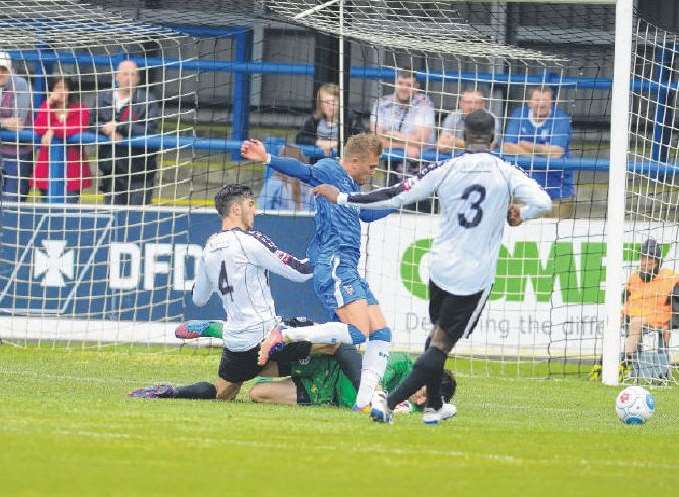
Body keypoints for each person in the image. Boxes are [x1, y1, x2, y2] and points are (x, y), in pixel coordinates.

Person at [313, 110, 552, 424]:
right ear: (494, 139)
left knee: (434, 337)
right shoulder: (507, 171)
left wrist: (343, 197)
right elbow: (544, 202)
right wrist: (522, 214)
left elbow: (395, 195)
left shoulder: (445, 167)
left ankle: (433, 405)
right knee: (441, 344)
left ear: (463, 137)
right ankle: (389, 401)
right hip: (474, 275)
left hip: (439, 269)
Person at [154, 183, 364, 402]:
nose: (255, 210)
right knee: (338, 341)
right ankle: (371, 396)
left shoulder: (209, 249)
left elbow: (198, 299)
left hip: (237, 344)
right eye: (251, 204)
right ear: (236, 209)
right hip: (267, 336)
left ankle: (176, 391)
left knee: (222, 395)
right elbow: (300, 272)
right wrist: (327, 251)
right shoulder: (250, 240)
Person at [240, 133, 395, 413]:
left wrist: (401, 201)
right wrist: (268, 158)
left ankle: (366, 401)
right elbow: (304, 171)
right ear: (355, 161)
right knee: (358, 334)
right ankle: (284, 334)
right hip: (334, 262)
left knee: (381, 332)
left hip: (348, 266)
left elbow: (367, 213)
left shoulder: (348, 189)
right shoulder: (331, 169)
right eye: (372, 167)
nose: (374, 172)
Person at [130, 317, 362, 401]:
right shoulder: (384, 369)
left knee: (233, 393)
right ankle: (225, 330)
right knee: (333, 344)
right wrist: (367, 391)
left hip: (315, 387)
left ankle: (173, 392)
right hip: (309, 355)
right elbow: (340, 345)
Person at [250, 351, 456, 414]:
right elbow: (375, 375)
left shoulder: (416, 407)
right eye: (423, 391)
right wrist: (380, 401)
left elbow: (448, 410)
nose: (419, 400)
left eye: (426, 400)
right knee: (256, 365)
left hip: (324, 394)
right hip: (329, 366)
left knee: (257, 393)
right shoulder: (402, 363)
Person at [91, 60, 160, 205]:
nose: (129, 78)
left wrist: (120, 126)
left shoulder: (148, 101)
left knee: (137, 221)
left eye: (133, 75)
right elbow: (90, 123)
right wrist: (105, 129)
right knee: (113, 220)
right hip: (112, 172)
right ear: (116, 76)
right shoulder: (103, 98)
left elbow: (150, 129)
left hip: (139, 174)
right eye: (125, 74)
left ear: (138, 79)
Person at [502, 86, 573, 216]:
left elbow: (557, 153)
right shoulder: (519, 114)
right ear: (529, 102)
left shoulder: (561, 118)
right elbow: (507, 147)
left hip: (558, 190)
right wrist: (541, 154)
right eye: (537, 99)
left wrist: (528, 146)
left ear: (552, 102)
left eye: (546, 100)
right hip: (524, 191)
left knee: (560, 233)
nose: (541, 103)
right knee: (520, 232)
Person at [621, 238, 679, 372]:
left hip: (659, 318)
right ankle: (603, 361)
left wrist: (670, 324)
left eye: (650, 258)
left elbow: (677, 305)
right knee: (613, 321)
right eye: (643, 258)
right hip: (635, 315)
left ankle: (624, 362)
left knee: (636, 323)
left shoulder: (670, 278)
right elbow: (625, 298)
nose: (646, 262)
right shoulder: (634, 277)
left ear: (657, 261)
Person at [31, 76, 91, 203]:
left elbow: (76, 126)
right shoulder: (46, 108)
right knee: (47, 212)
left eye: (65, 87)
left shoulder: (81, 109)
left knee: (68, 213)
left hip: (72, 172)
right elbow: (39, 127)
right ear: (51, 90)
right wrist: (48, 103)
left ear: (70, 91)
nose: (61, 91)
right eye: (58, 87)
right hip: (47, 170)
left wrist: (53, 130)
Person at [370, 70, 435, 160]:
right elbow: (377, 140)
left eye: (409, 85)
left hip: (420, 165)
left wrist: (389, 134)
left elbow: (421, 140)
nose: (404, 88)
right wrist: (405, 146)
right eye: (400, 83)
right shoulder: (381, 103)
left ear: (416, 87)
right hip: (390, 166)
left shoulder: (424, 104)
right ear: (395, 84)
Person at [0, 51, 32, 200]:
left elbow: (18, 120)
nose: (0, 73)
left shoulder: (19, 83)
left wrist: (8, 122)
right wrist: (3, 122)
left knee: (12, 200)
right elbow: (9, 122)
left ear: (10, 69)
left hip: (18, 152)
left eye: (3, 69)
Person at [436, 89, 501, 153]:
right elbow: (441, 144)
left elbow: (490, 146)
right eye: (468, 102)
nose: (473, 106)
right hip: (456, 158)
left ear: (483, 104)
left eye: (477, 103)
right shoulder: (453, 116)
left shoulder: (491, 119)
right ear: (460, 103)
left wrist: (456, 142)